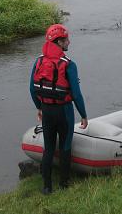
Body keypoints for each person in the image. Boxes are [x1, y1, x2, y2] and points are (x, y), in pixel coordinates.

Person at [30, 24, 88, 194]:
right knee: (65, 145)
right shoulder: (68, 64)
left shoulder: (39, 61)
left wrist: (39, 107)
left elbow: (32, 89)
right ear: (60, 42)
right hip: (64, 111)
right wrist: (83, 115)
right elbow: (76, 94)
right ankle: (64, 183)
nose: (69, 41)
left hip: (47, 110)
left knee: (48, 148)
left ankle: (47, 187)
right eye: (67, 39)